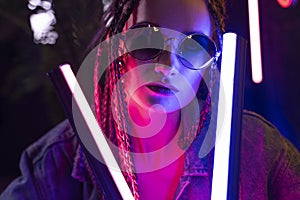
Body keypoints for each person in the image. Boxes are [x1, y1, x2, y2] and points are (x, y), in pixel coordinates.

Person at [1, 0, 300, 199]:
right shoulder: (56, 161)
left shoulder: (260, 149)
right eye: (147, 37)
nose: (168, 65)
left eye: (194, 46)